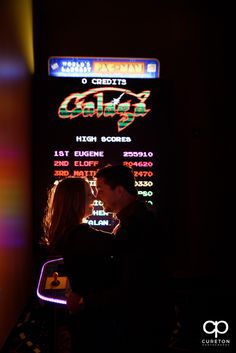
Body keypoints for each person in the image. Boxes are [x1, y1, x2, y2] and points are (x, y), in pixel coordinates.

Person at [76, 164, 175, 352]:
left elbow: (131, 288)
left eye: (101, 190)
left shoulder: (135, 226)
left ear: (119, 191)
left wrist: (85, 301)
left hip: (143, 323)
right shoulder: (143, 215)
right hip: (151, 318)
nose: (97, 196)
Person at [41, 176, 116, 353]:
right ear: (75, 200)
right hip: (96, 316)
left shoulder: (68, 232)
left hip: (86, 312)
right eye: (89, 194)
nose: (94, 198)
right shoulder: (80, 235)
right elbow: (121, 243)